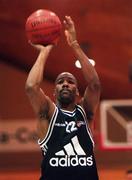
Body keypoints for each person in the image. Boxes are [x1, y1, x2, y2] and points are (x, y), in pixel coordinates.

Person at [25, 16, 101, 180]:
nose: (65, 84)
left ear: (78, 92)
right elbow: (31, 87)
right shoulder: (47, 113)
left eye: (70, 82)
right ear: (53, 92)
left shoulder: (86, 112)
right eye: (60, 82)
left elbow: (94, 84)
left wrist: (74, 44)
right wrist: (44, 52)